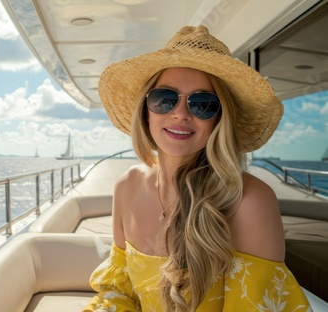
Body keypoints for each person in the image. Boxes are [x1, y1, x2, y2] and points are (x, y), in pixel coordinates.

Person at [83, 26, 311, 312]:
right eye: (164, 98)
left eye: (203, 103)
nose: (180, 113)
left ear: (219, 120)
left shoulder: (249, 202)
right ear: (145, 109)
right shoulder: (126, 186)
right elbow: (119, 292)